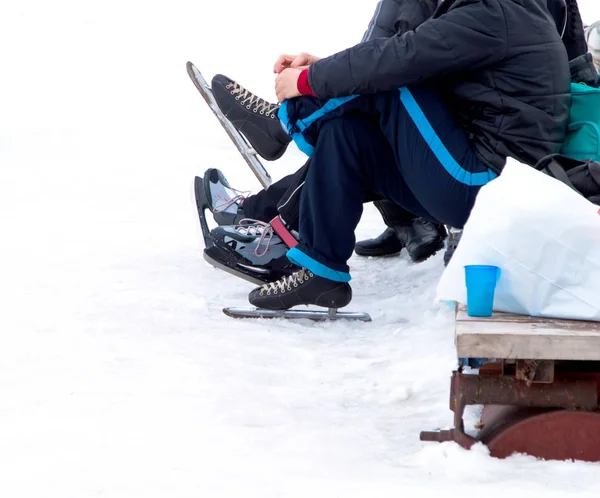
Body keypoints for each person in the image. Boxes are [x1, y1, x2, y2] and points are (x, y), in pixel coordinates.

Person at [234, 0, 583, 311]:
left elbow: (400, 59)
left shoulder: (497, 12)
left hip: (489, 185)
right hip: (475, 176)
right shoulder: (496, 12)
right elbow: (412, 57)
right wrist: (322, 70)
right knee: (349, 135)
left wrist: (309, 81)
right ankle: (321, 271)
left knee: (394, 83)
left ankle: (281, 125)